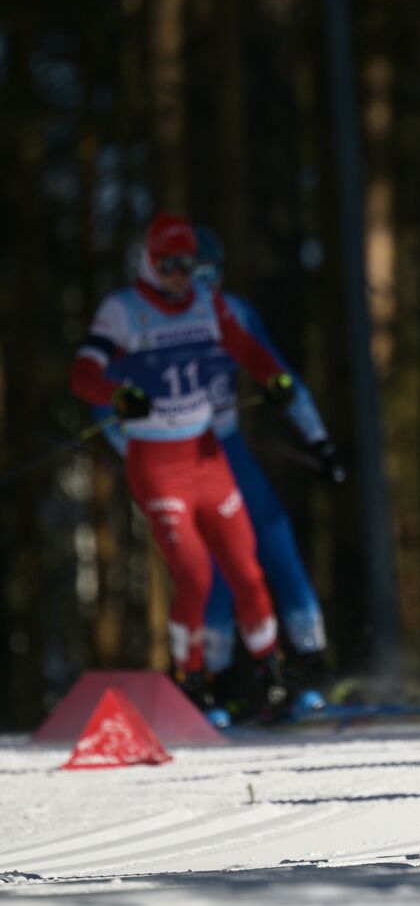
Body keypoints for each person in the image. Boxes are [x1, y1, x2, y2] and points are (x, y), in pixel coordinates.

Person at [94, 226, 345, 718]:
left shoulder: (230, 312)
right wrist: (140, 454)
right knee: (206, 578)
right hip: (176, 459)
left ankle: (307, 678)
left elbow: (280, 375)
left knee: (274, 548)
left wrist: (320, 440)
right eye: (190, 273)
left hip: (223, 447)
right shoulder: (139, 318)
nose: (199, 285)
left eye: (210, 275)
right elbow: (106, 399)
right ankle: (216, 688)